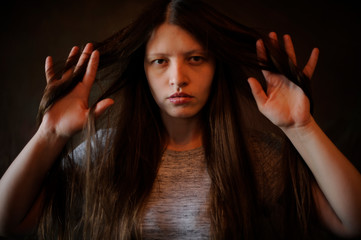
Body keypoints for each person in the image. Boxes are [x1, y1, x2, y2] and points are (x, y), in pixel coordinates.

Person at [0, 0, 360, 239]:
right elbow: (8, 221)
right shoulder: (106, 152)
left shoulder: (254, 157)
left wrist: (302, 128)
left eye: (196, 59)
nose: (177, 78)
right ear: (143, 70)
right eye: (160, 61)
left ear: (216, 67)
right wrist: (49, 133)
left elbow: (354, 222)